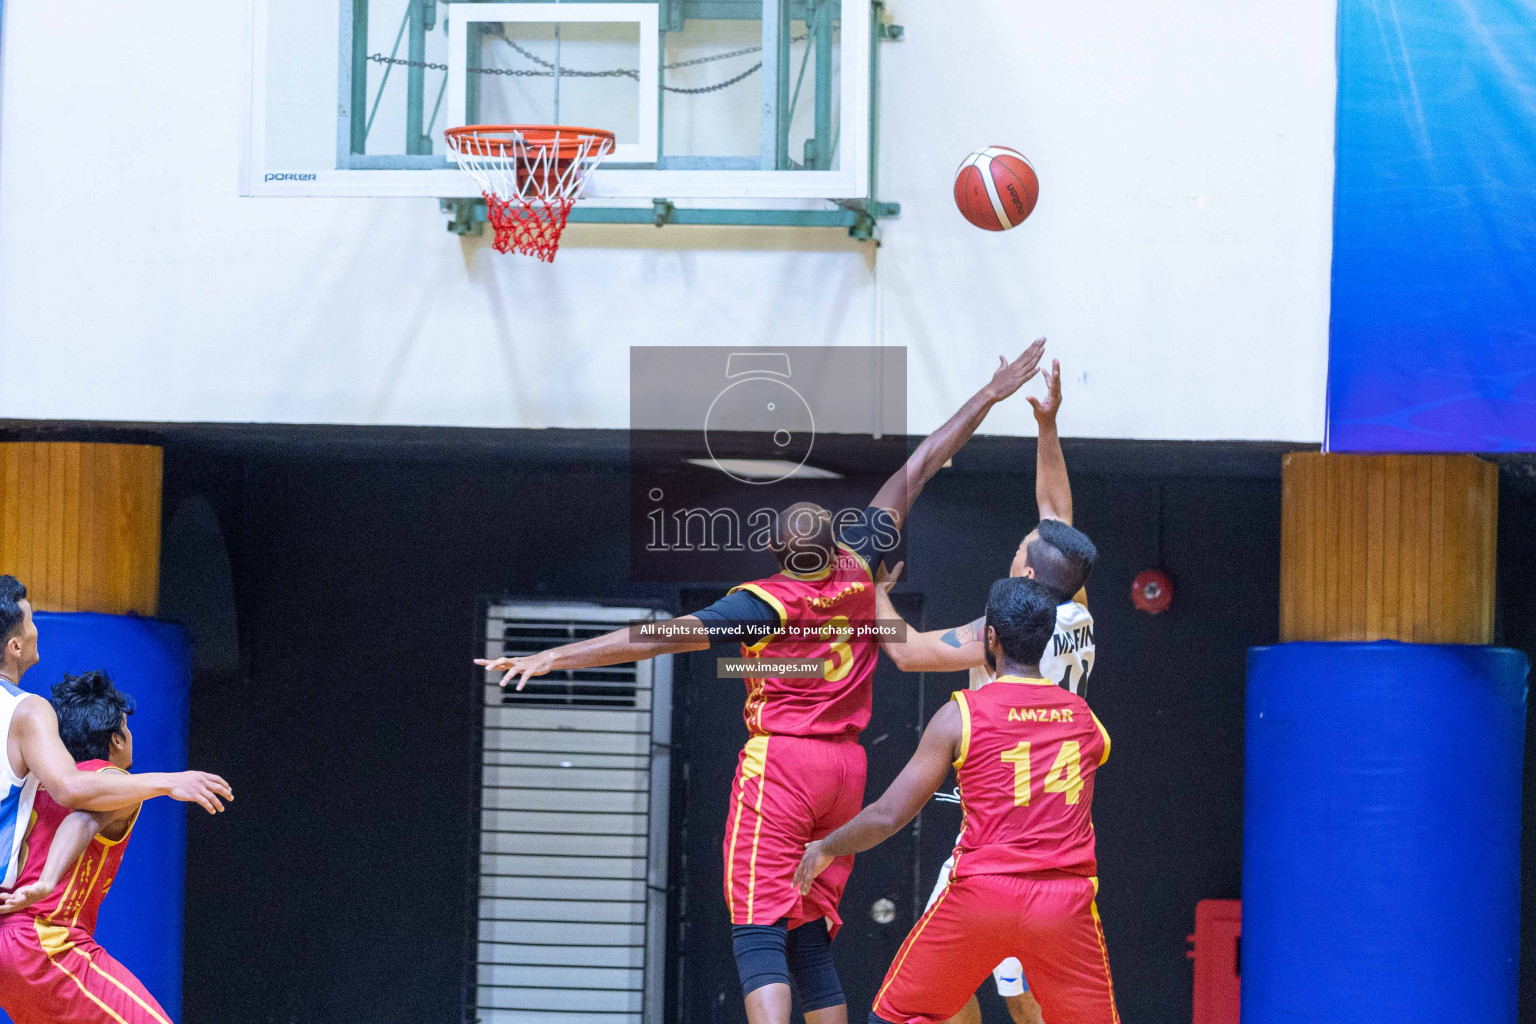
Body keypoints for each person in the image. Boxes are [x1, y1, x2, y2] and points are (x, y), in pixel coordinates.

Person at [477, 342, 1048, 1024]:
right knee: (809, 935)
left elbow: (647, 638)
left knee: (757, 932)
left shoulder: (764, 601)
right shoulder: (861, 561)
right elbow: (919, 465)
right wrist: (991, 392)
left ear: (777, 557)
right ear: (836, 541)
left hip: (783, 762)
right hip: (845, 768)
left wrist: (556, 657)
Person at [873, 361, 1097, 1024]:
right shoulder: (1074, 603)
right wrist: (1047, 425)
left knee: (1016, 993)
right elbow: (1056, 516)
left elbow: (910, 653)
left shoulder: (1002, 631)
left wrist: (874, 593)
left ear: (1026, 569)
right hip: (1040, 822)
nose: (1024, 537)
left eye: (1023, 543)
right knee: (982, 984)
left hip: (1010, 834)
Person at [794, 577, 1120, 1024]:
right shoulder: (1087, 721)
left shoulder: (960, 715)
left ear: (990, 637)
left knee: (896, 1016)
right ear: (1046, 640)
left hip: (982, 894)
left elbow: (888, 815)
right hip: (1064, 904)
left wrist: (825, 845)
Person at [0, 576, 230, 893]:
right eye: (30, 621)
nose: (36, 629)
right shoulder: (26, 711)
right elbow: (71, 789)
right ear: (15, 646)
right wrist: (169, 781)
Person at [0, 669, 195, 1024]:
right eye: (128, 728)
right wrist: (168, 781)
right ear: (117, 739)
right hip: (44, 942)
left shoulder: (41, 782)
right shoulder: (110, 779)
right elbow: (83, 820)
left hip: (8, 945)